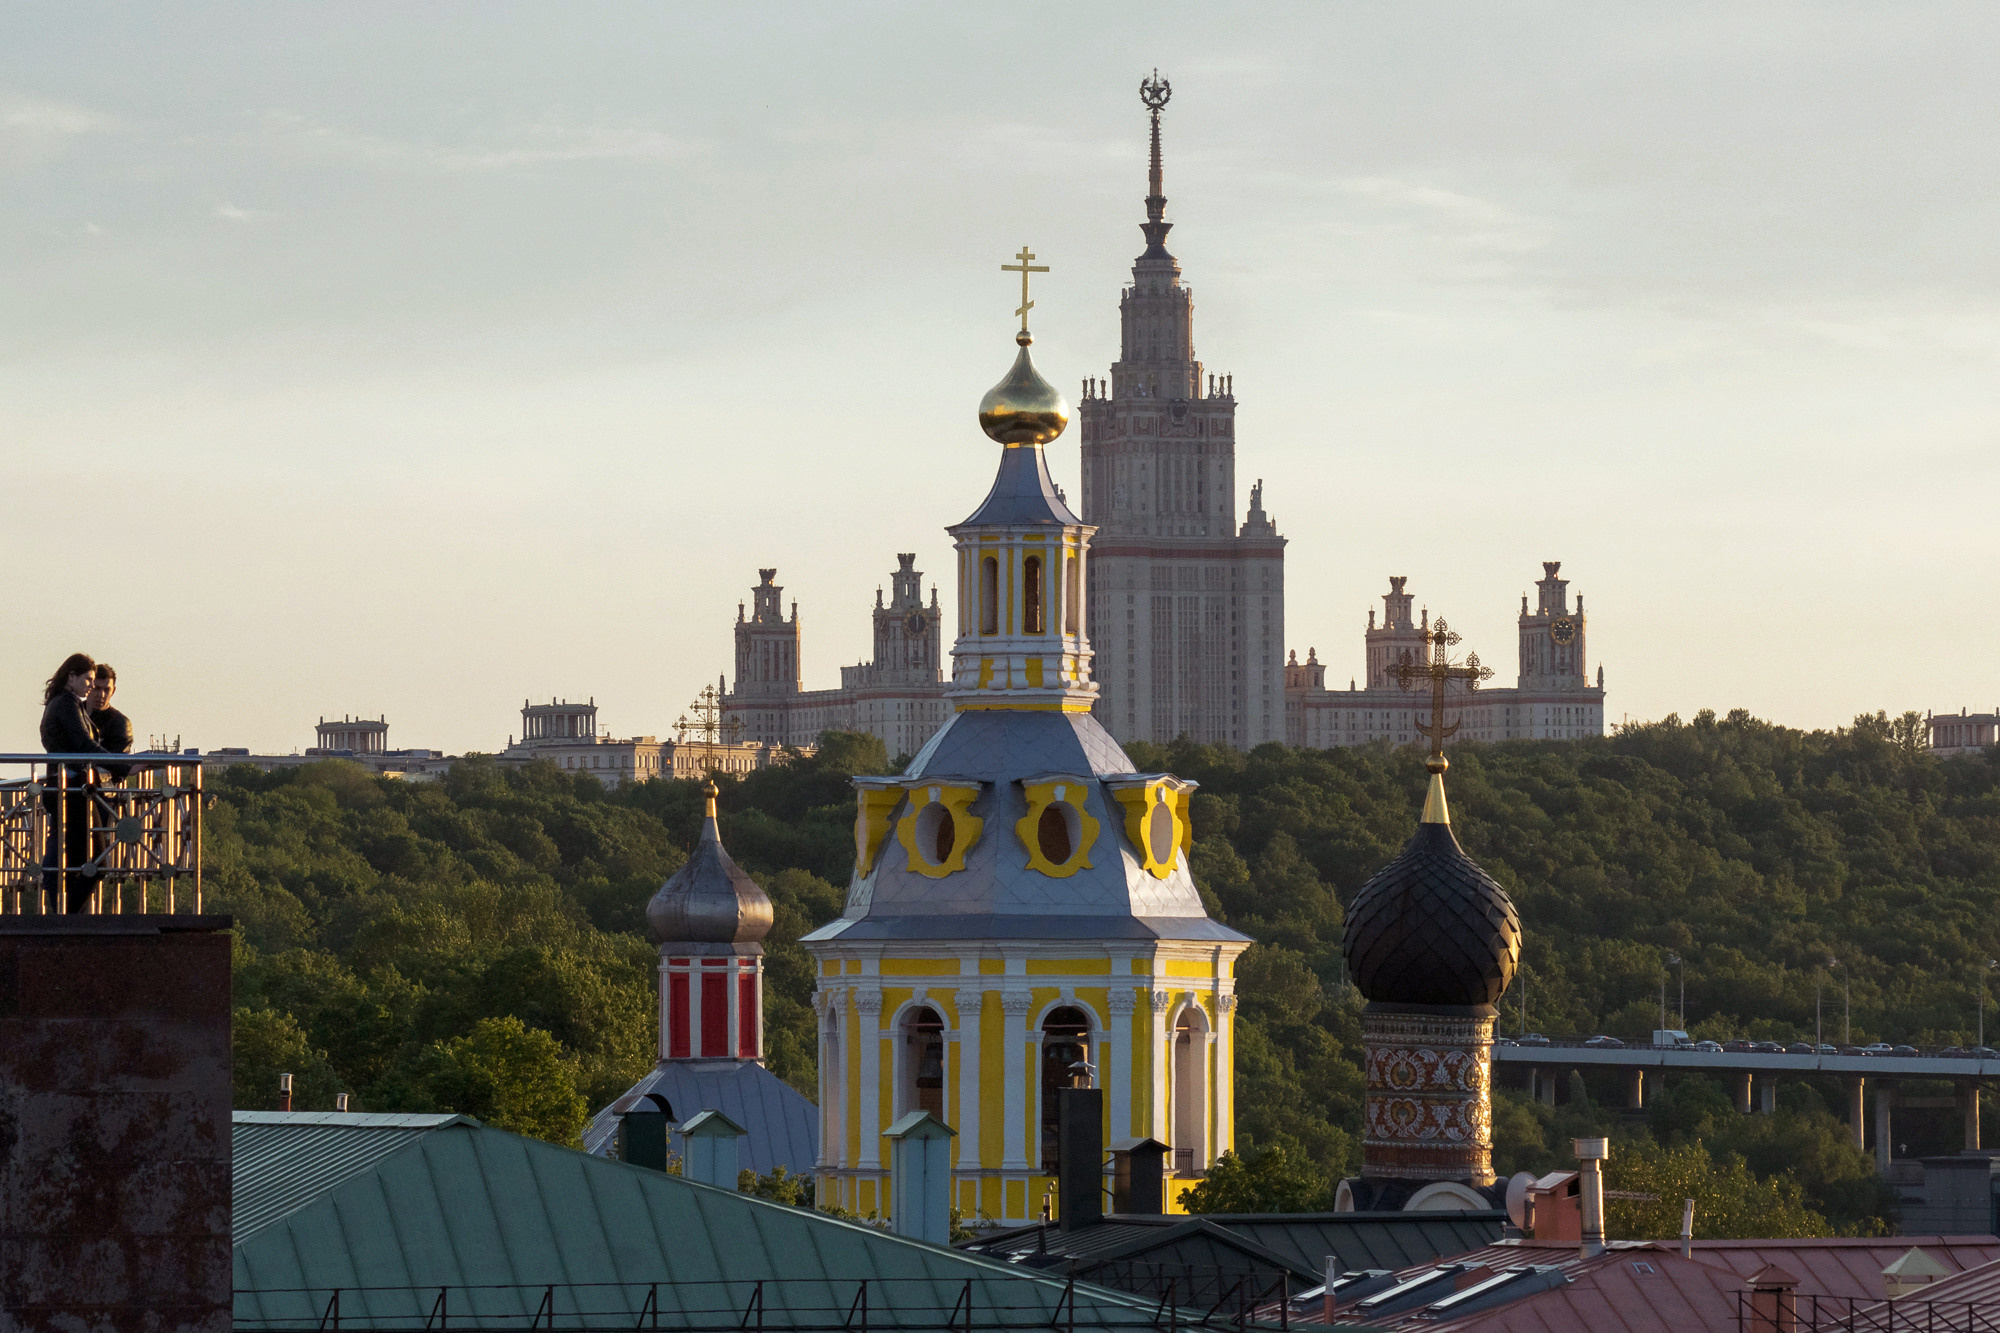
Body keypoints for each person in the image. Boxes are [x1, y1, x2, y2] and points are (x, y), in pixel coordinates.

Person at [39, 653, 110, 913]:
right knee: (88, 862)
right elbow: (83, 744)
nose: (92, 685)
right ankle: (65, 917)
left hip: (71, 788)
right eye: (88, 679)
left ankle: (64, 915)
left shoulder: (65, 703)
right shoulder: (66, 704)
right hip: (70, 790)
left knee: (75, 859)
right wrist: (120, 763)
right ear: (72, 677)